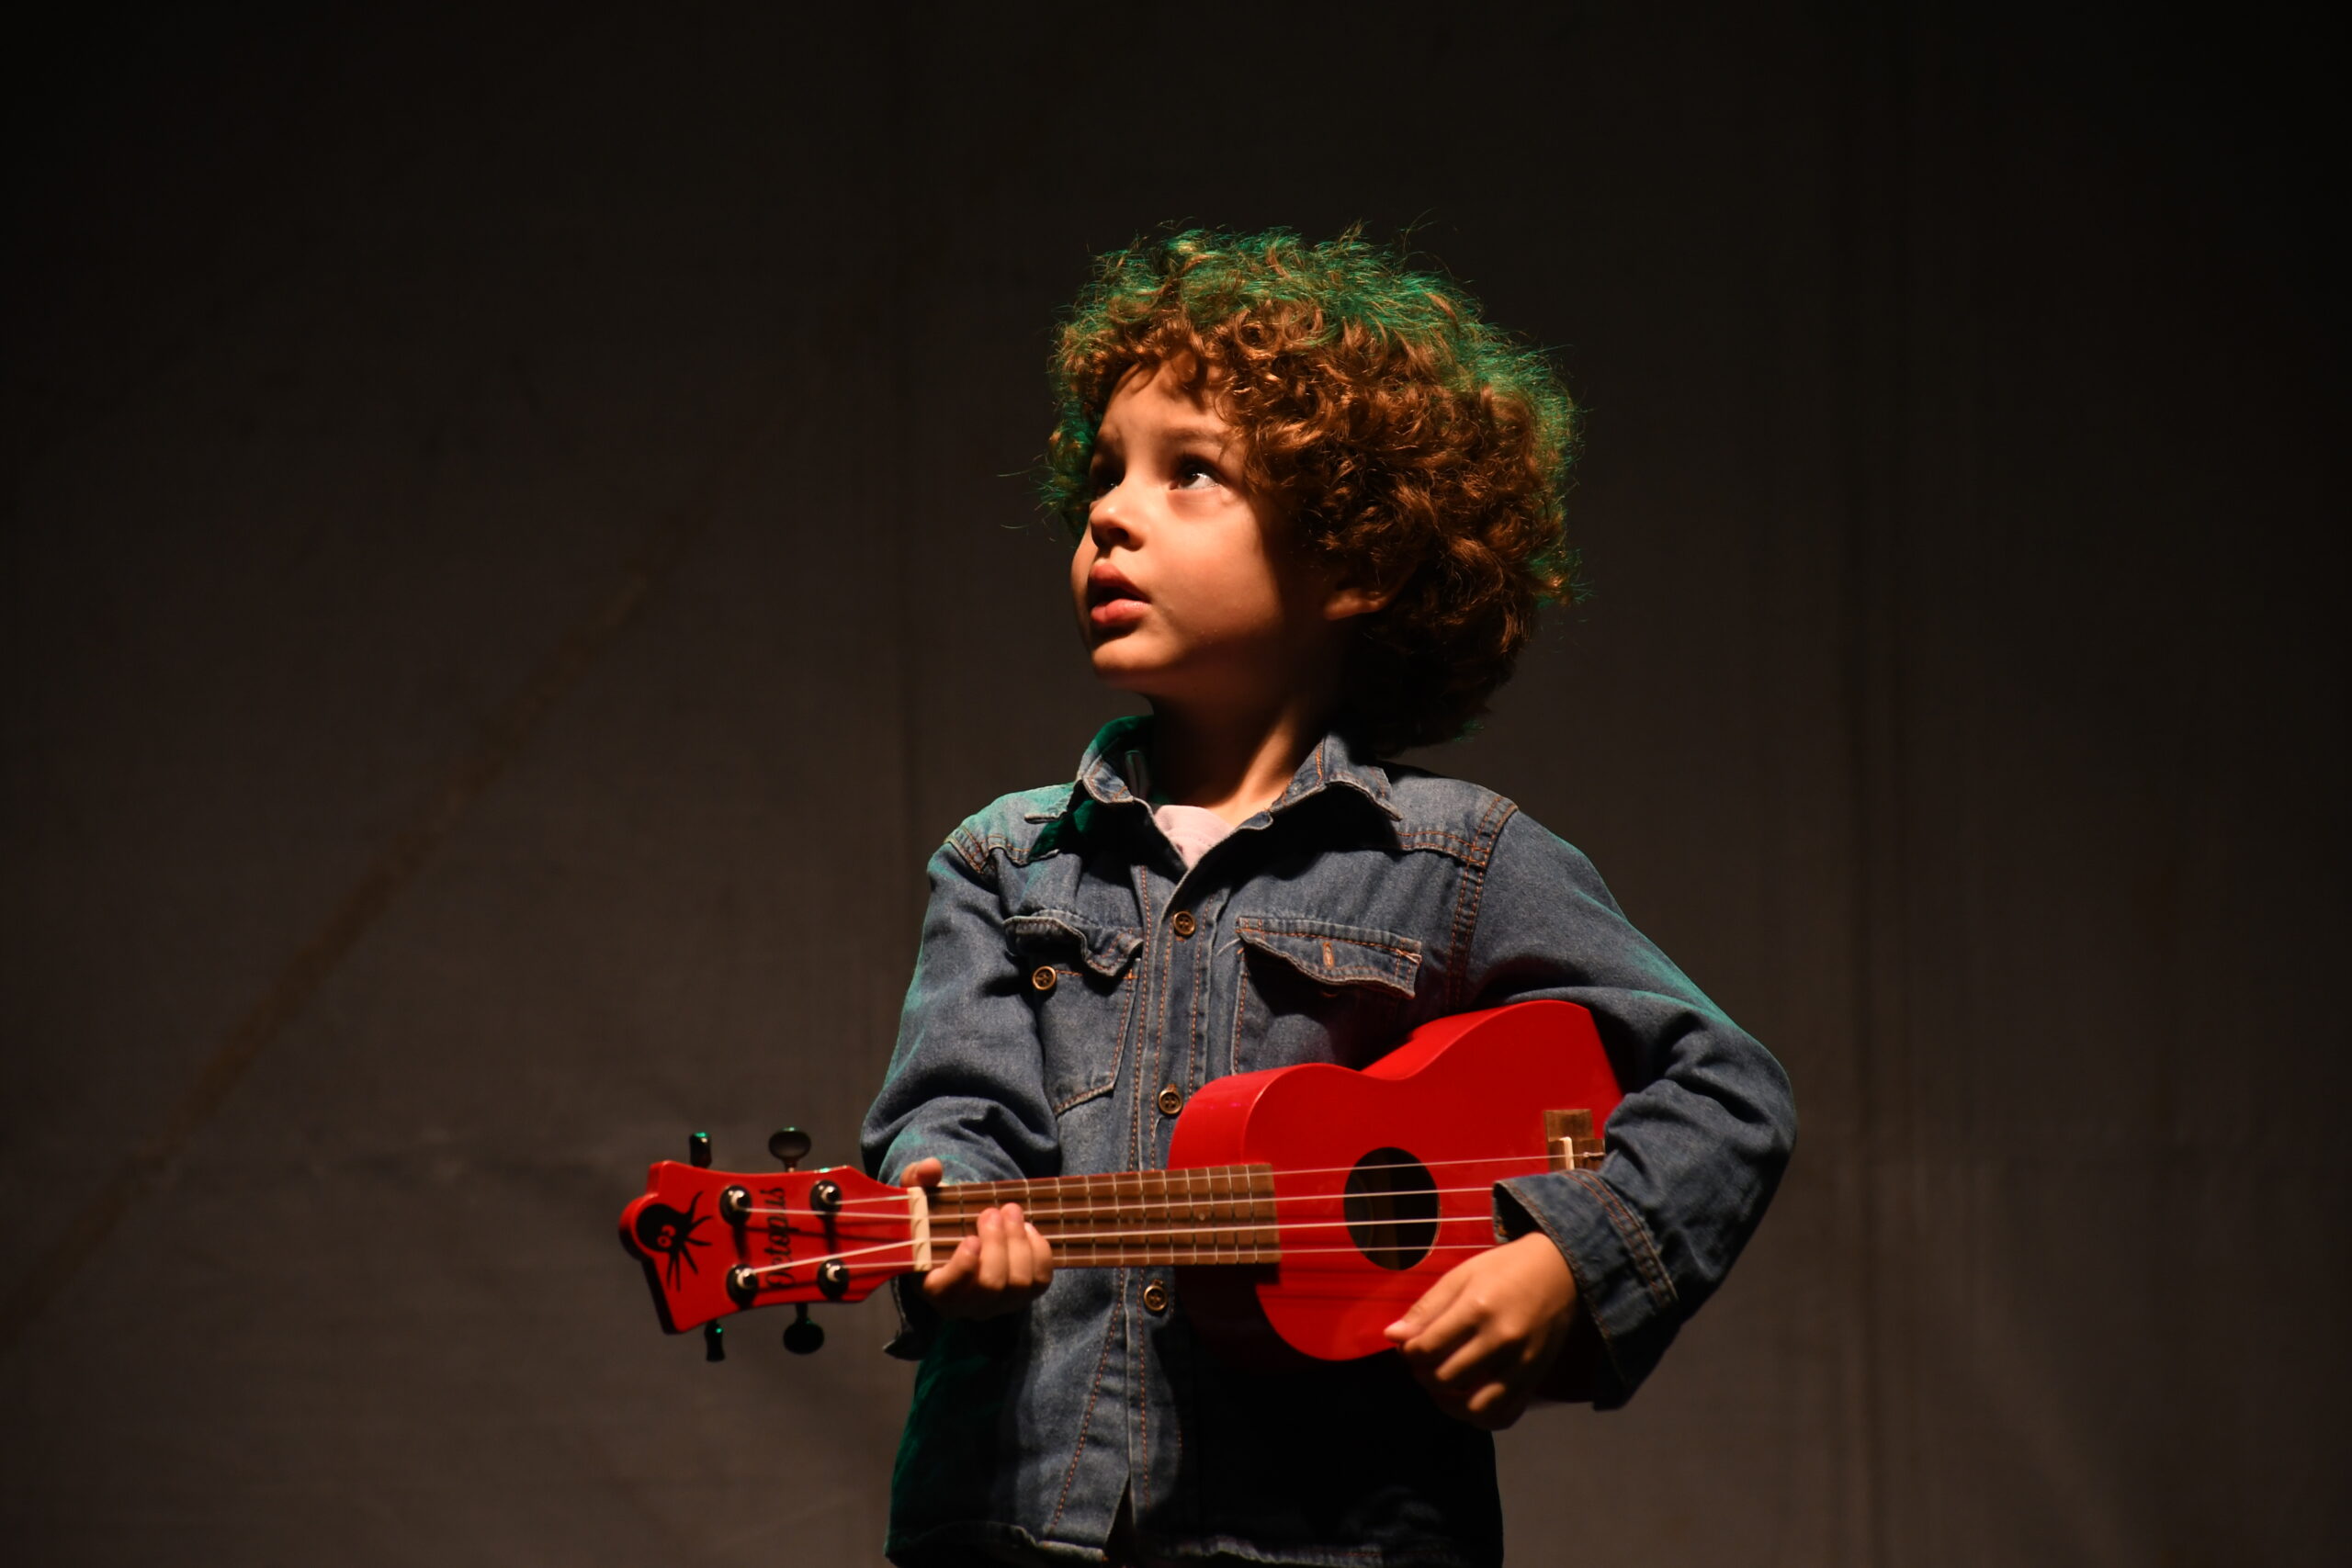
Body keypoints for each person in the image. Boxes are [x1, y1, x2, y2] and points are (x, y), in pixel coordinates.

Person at [860, 227, 1795, 1568]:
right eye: (1104, 473)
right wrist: (955, 1211)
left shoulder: (1455, 862)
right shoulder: (1007, 860)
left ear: (1358, 561)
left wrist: (1563, 1260)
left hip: (1341, 1541)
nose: (1110, 514)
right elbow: (955, 1115)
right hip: (1022, 1526)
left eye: (1189, 473)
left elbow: (1728, 1090)